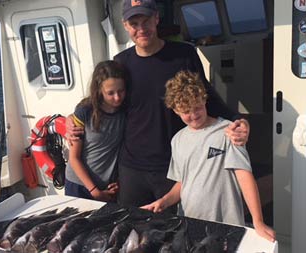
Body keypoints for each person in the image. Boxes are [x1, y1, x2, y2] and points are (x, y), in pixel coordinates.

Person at [66, 0, 250, 208]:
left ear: (156, 18)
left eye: (146, 21)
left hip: (171, 165)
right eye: (134, 24)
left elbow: (206, 96)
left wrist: (237, 119)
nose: (141, 29)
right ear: (125, 25)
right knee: (130, 227)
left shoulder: (184, 54)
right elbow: (99, 99)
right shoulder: (121, 62)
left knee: (170, 230)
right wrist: (69, 120)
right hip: (131, 168)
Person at [142, 71, 275, 242]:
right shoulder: (177, 140)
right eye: (186, 111)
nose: (194, 114)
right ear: (175, 110)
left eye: (197, 107)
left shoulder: (228, 131)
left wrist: (258, 221)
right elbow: (183, 182)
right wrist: (164, 201)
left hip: (227, 226)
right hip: (189, 224)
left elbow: (244, 175)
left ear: (204, 99)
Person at [65, 60, 127, 202]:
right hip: (79, 185)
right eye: (110, 93)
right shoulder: (85, 112)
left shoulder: (126, 110)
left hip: (106, 186)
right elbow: (74, 159)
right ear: (99, 90)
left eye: (121, 91)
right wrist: (94, 191)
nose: (117, 97)